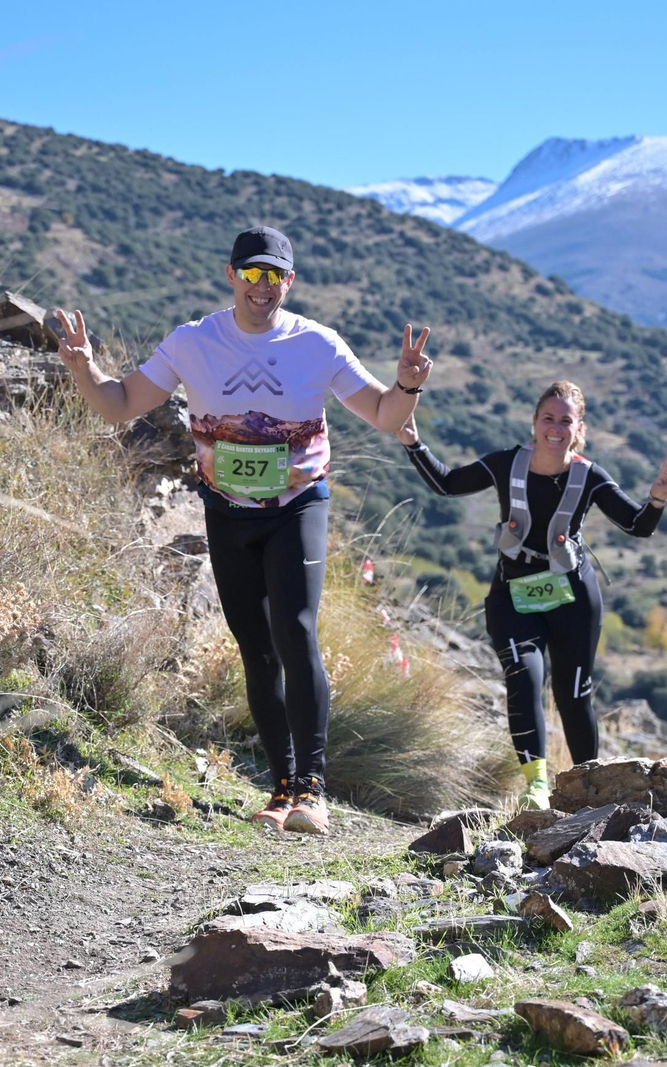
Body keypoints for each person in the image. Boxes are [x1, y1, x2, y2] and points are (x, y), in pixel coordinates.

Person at [53, 226, 433, 834]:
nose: (263, 287)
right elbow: (121, 403)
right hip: (227, 512)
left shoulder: (319, 344)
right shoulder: (193, 342)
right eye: (251, 274)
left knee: (295, 630)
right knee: (255, 649)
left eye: (274, 275)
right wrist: (84, 367)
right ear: (231, 276)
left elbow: (387, 415)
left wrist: (409, 382)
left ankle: (312, 787)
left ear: (290, 280)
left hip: (297, 506)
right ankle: (281, 789)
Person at [397, 381, 667, 810]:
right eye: (548, 418)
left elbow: (636, 525)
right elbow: (448, 484)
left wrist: (657, 500)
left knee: (573, 696)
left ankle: (590, 789)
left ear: (578, 428)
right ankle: (535, 787)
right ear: (534, 422)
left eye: (565, 420)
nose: (555, 428)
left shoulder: (590, 476)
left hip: (573, 599)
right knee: (524, 679)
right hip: (514, 594)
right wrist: (413, 441)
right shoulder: (506, 464)